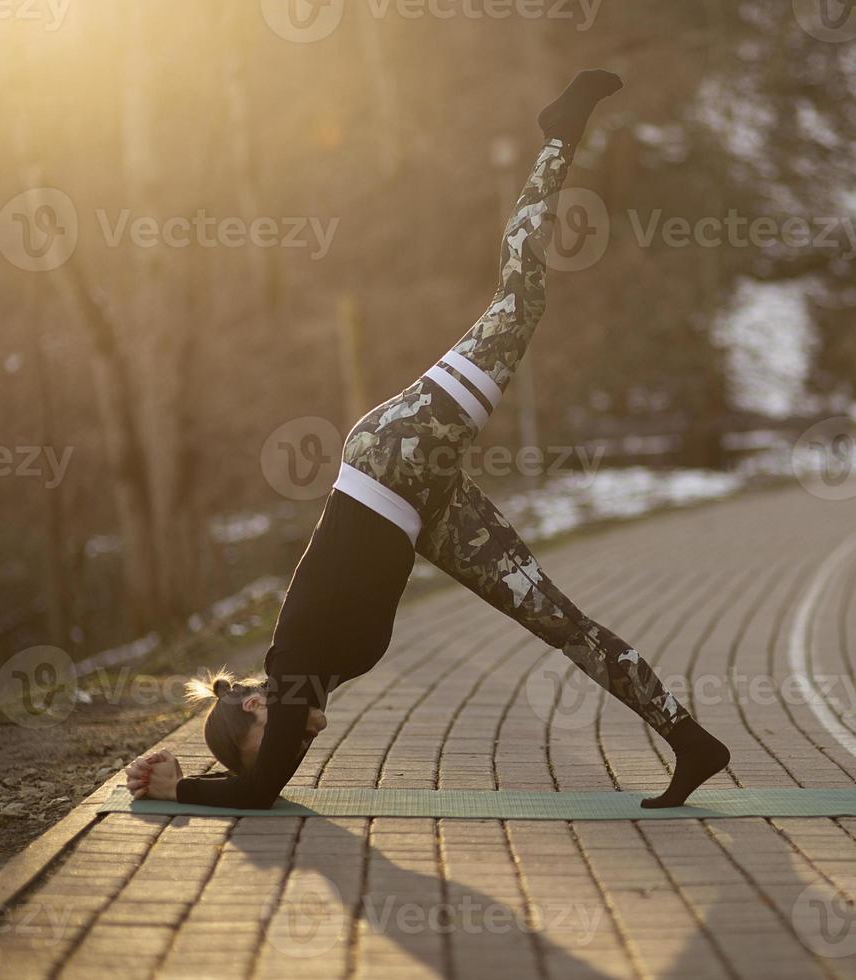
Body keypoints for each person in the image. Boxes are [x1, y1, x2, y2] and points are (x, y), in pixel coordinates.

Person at [125, 71, 730, 811]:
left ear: (256, 710)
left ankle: (558, 133)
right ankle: (690, 740)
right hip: (419, 505)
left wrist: (178, 788)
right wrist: (203, 778)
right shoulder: (310, 680)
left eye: (278, 738)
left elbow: (261, 792)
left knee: (521, 298)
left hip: (396, 452)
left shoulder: (293, 668)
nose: (301, 741)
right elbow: (260, 781)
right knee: (556, 622)